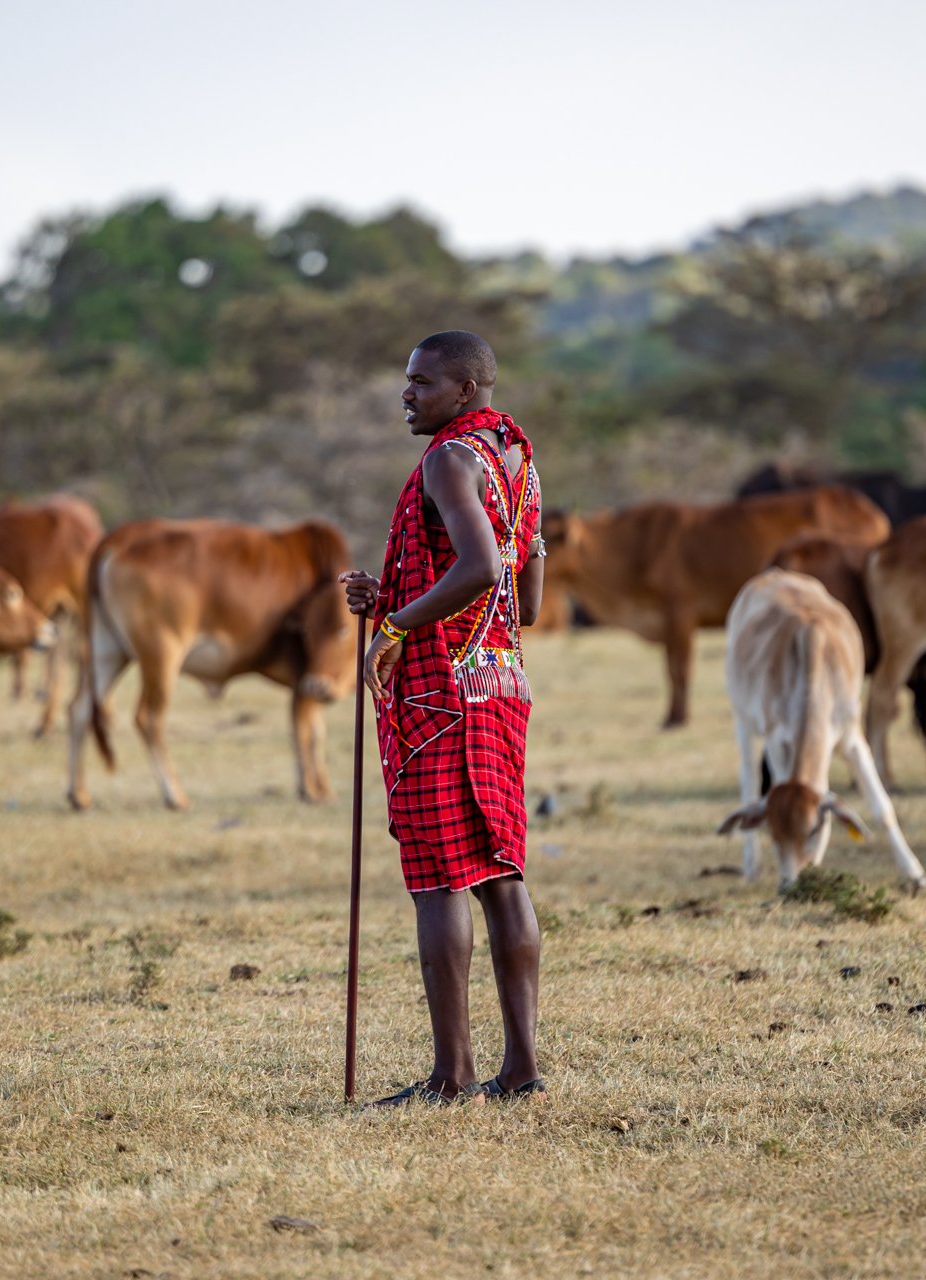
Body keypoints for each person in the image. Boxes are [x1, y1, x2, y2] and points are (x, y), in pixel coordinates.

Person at [340, 330, 548, 1105]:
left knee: (440, 880)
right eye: (407, 380)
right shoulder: (518, 463)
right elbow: (525, 602)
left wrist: (396, 629)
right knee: (500, 873)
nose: (406, 393)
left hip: (438, 696)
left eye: (421, 382)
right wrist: (390, 595)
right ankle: (521, 1071)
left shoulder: (449, 460)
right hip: (498, 687)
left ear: (464, 390)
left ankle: (452, 1077)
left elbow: (480, 568)